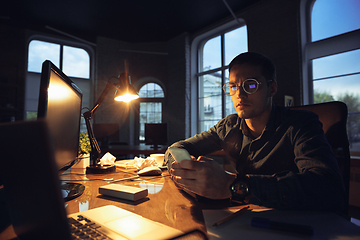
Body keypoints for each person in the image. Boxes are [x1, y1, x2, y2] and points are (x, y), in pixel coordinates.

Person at [165, 52, 346, 211]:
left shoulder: (301, 124)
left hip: (294, 224)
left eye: (250, 85)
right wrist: (184, 171)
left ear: (272, 88)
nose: (240, 95)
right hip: (243, 218)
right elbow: (177, 148)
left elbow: (329, 188)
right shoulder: (228, 126)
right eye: (233, 86)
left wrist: (236, 185)